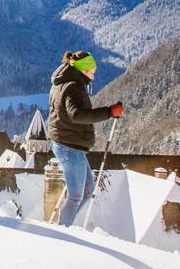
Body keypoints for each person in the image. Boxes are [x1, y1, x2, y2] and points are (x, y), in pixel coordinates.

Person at [47, 50, 124, 226]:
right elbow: (77, 115)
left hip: (68, 143)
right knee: (76, 196)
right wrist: (109, 112)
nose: (93, 76)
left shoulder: (62, 81)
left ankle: (64, 225)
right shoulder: (73, 86)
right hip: (69, 146)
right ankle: (62, 232)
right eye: (91, 72)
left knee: (87, 190)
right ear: (82, 69)